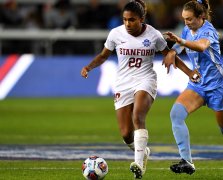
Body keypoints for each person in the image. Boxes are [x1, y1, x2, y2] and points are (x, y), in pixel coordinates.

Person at [80, 0, 198, 178]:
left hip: (146, 80)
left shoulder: (153, 35)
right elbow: (104, 55)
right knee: (126, 134)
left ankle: (138, 165)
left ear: (142, 19)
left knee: (138, 116)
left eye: (132, 20)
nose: (127, 24)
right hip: (122, 83)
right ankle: (143, 152)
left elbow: (170, 55)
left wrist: (189, 72)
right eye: (125, 20)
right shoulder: (115, 34)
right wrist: (88, 67)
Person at [162, 0, 223, 175]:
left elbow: (200, 46)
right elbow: (178, 45)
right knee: (176, 114)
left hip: (218, 87)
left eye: (190, 19)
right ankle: (187, 162)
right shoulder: (187, 29)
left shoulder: (209, 31)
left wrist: (181, 41)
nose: (186, 22)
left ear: (202, 17)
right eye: (184, 19)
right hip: (198, 84)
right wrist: (172, 51)